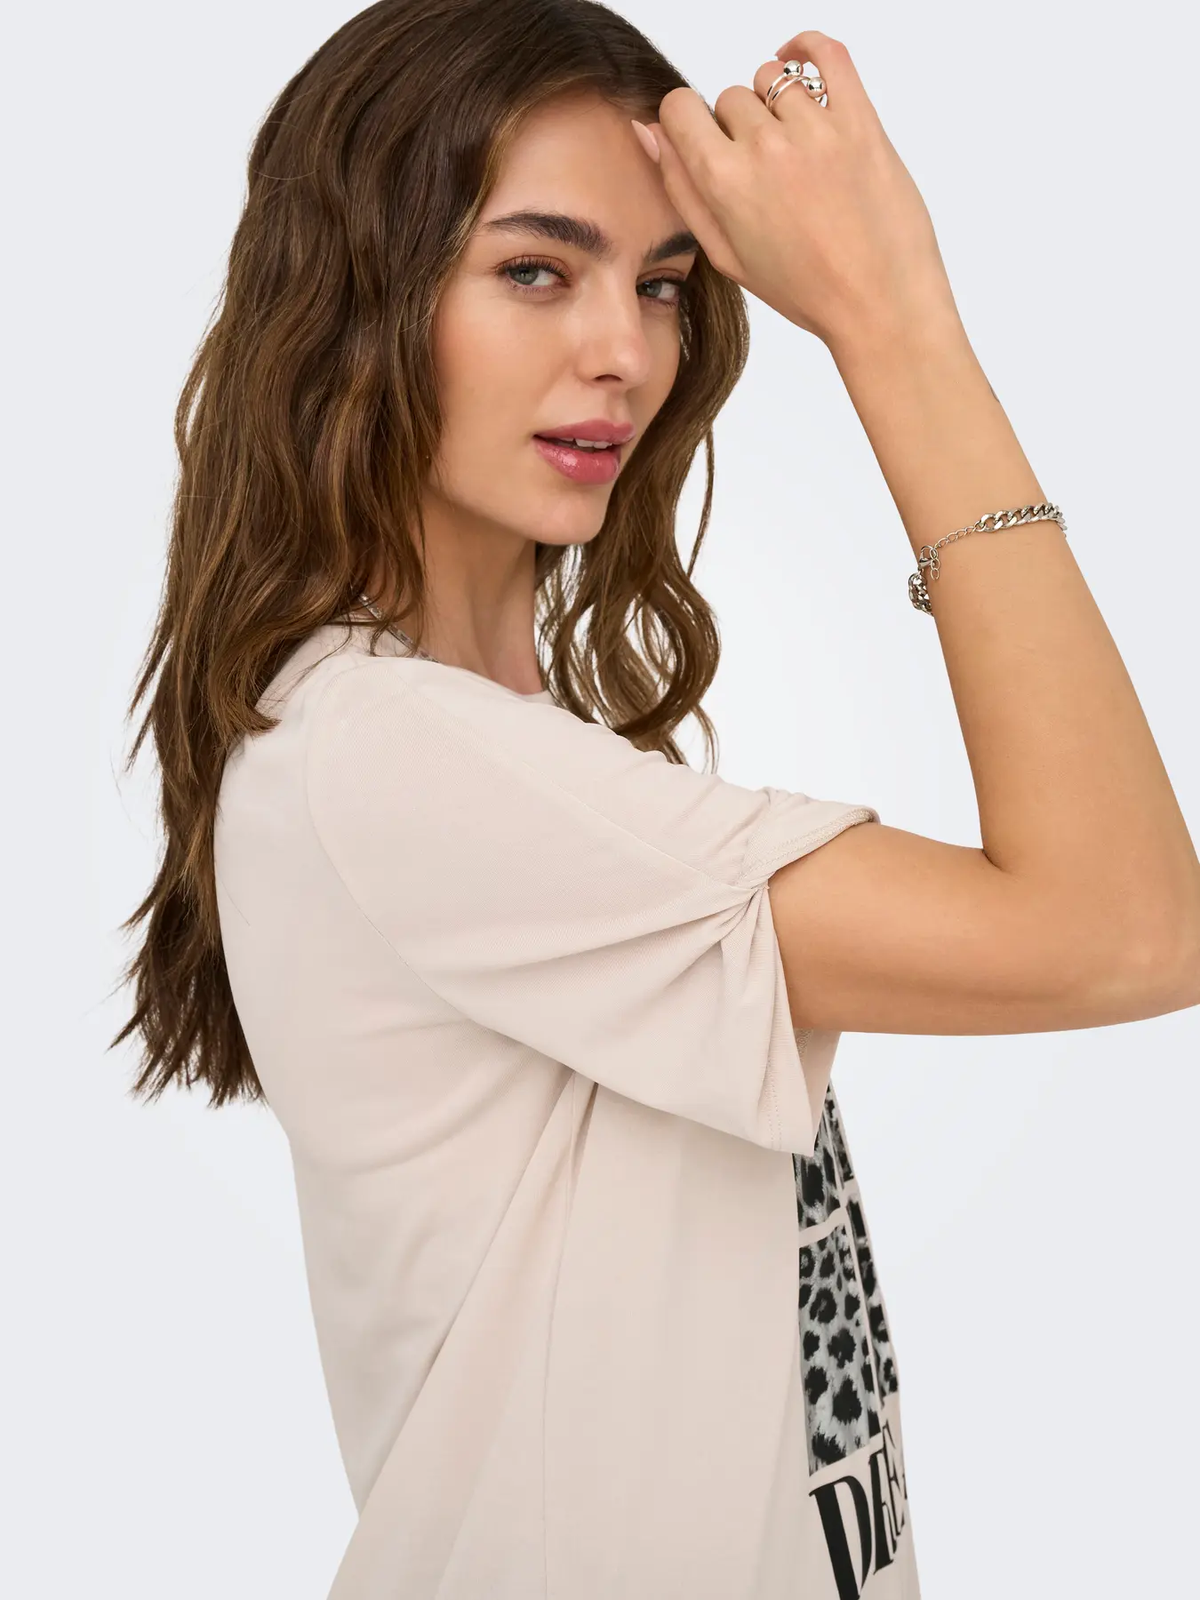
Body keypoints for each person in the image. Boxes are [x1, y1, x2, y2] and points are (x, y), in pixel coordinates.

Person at [111, 2, 1200, 1596]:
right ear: (355, 294)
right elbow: (1126, 930)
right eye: (534, 270)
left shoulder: (485, 754)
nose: (623, 350)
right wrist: (894, 320)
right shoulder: (401, 761)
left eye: (664, 284)